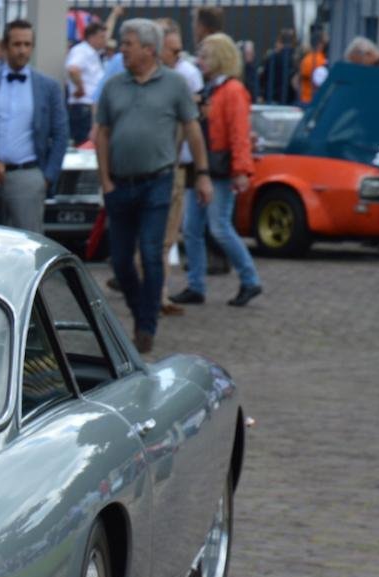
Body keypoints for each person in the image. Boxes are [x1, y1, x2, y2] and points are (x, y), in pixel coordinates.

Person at [95, 19, 212, 353]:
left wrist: (202, 173)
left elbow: (193, 129)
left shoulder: (174, 84)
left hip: (157, 181)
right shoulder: (113, 86)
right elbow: (102, 133)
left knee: (150, 253)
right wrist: (105, 180)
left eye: (128, 44)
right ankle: (140, 311)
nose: (121, 49)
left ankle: (146, 326)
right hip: (119, 184)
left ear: (148, 49)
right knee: (121, 262)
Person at [172, 33, 261, 309]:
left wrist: (241, 169)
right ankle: (197, 285)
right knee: (194, 228)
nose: (200, 61)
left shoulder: (230, 90)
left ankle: (249, 279)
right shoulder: (215, 89)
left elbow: (239, 133)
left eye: (205, 56)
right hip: (207, 166)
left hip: (217, 167)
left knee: (218, 227)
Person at [0, 19, 67, 233]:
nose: (22, 50)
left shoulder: (47, 87)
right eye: (17, 44)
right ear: (5, 46)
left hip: (28, 175)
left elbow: (61, 133)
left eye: (27, 45)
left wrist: (47, 177)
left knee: (28, 243)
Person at [157, 18, 203, 313]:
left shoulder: (184, 75)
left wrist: (202, 171)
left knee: (167, 238)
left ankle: (157, 295)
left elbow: (194, 123)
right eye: (173, 51)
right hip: (146, 170)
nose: (179, 57)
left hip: (176, 168)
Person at [64, 20, 105, 145]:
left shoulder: (92, 53)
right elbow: (73, 69)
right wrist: (80, 88)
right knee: (84, 145)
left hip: (89, 107)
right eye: (101, 37)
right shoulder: (82, 50)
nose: (104, 40)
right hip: (83, 107)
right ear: (91, 37)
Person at [260, 28, 298, 104]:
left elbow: (264, 77)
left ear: (280, 41)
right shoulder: (295, 58)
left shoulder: (272, 58)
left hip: (272, 97)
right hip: (290, 99)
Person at [300, 29, 328, 105]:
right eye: (325, 43)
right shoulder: (322, 60)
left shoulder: (305, 59)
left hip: (304, 99)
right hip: (316, 101)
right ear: (320, 44)